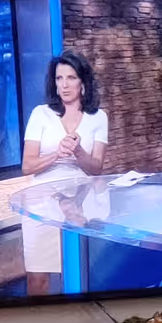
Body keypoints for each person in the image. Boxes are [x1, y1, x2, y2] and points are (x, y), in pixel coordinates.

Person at [20, 51, 109, 295]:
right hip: (41, 202)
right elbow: (27, 166)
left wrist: (78, 150)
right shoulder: (41, 113)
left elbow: (96, 168)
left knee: (80, 275)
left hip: (81, 202)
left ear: (83, 82)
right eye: (59, 78)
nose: (65, 84)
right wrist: (57, 154)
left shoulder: (98, 117)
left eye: (71, 77)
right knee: (37, 279)